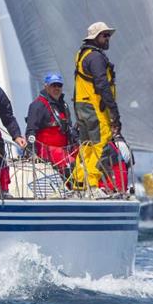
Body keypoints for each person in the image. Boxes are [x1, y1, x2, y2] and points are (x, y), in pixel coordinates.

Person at [72, 22, 121, 193]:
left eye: (108, 35)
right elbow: (102, 85)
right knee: (101, 143)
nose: (108, 38)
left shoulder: (82, 54)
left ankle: (79, 184)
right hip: (95, 107)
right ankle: (92, 185)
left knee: (86, 146)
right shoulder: (96, 57)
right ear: (95, 37)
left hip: (81, 105)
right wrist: (114, 112)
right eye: (104, 35)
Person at [25, 72, 76, 175]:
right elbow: (31, 130)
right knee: (72, 165)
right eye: (53, 85)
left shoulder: (63, 105)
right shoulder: (37, 105)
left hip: (65, 148)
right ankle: (75, 188)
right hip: (46, 150)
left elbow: (69, 128)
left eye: (59, 85)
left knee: (88, 158)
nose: (56, 88)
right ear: (46, 86)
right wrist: (32, 153)